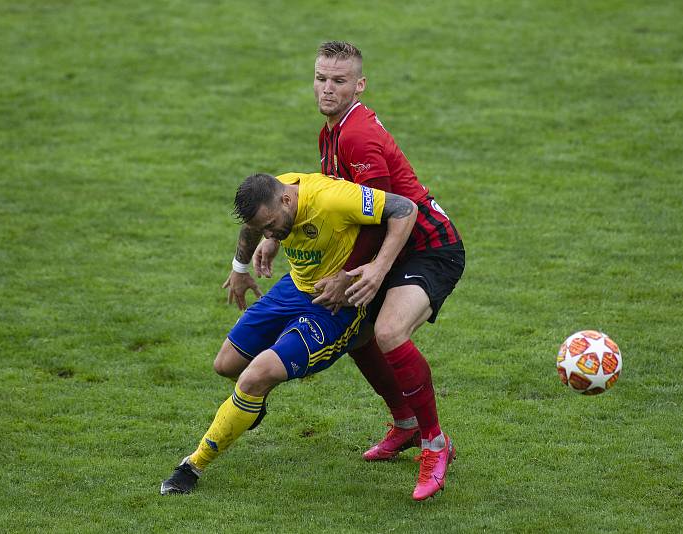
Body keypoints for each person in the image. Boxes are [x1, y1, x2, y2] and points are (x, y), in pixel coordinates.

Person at [256, 41, 465, 501]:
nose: (327, 89)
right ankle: (406, 423)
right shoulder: (331, 131)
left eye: (339, 81)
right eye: (320, 78)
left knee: (388, 331)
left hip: (429, 247)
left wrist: (358, 273)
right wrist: (274, 235)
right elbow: (326, 198)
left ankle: (435, 443)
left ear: (359, 85)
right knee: (357, 332)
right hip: (392, 245)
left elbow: (392, 213)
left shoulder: (357, 137)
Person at [160, 171, 416, 495]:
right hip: (294, 288)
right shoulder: (276, 196)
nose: (269, 234)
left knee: (254, 377)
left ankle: (192, 466)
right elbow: (254, 226)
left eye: (271, 225)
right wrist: (239, 269)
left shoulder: (331, 199)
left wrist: (375, 271)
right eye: (263, 229)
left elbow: (404, 208)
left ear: (286, 198)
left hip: (335, 308)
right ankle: (255, 400)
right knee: (225, 365)